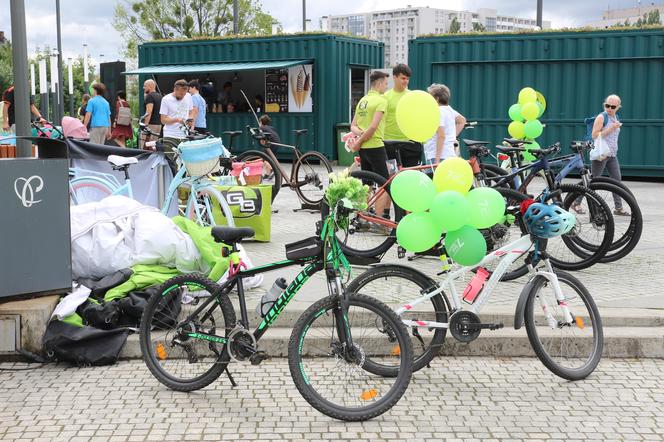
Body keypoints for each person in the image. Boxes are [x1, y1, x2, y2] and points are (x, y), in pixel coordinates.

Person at [579, 94, 629, 216]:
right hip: (601, 155)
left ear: (618, 107)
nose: (609, 108)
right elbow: (595, 135)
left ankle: (618, 208)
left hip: (612, 155)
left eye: (613, 106)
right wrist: (611, 128)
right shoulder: (602, 117)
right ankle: (578, 202)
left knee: (616, 181)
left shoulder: (616, 117)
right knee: (593, 181)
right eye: (607, 105)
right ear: (604, 104)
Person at [350, 71, 391, 217]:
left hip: (364, 149)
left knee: (366, 183)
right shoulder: (381, 101)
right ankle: (380, 219)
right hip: (376, 146)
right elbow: (373, 128)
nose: (386, 87)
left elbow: (353, 126)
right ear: (379, 84)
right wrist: (361, 140)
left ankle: (363, 216)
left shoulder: (362, 100)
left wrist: (360, 137)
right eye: (386, 84)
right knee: (384, 184)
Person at [383, 64, 422, 167]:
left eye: (408, 79)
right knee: (392, 176)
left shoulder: (412, 96)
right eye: (403, 78)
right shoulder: (385, 97)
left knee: (411, 175)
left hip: (410, 142)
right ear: (394, 77)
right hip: (389, 143)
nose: (406, 81)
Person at [424, 84, 466, 164]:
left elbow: (441, 135)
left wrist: (437, 159)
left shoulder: (438, 111)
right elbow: (462, 121)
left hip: (437, 156)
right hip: (449, 154)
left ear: (436, 99)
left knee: (434, 176)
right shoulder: (449, 110)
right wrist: (452, 137)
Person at [159, 79, 194, 155]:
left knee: (185, 161)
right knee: (172, 162)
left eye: (184, 94)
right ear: (175, 89)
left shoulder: (188, 96)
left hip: (185, 136)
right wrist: (177, 120)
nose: (182, 96)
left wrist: (190, 120)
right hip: (170, 136)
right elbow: (163, 120)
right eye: (181, 94)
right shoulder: (166, 99)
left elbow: (191, 111)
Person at [141, 79, 162, 150]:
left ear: (149, 86)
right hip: (158, 124)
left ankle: (144, 160)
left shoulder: (150, 96)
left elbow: (149, 111)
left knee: (145, 146)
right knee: (153, 146)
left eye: (145, 86)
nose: (143, 88)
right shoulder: (160, 96)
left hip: (150, 125)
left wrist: (145, 125)